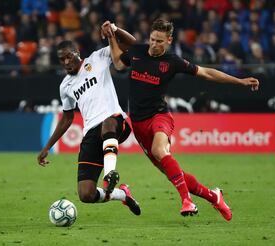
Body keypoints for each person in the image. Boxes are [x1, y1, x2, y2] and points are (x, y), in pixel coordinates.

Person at [102, 19, 260, 219]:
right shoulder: (137, 51)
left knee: (160, 150)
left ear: (169, 40)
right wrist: (111, 37)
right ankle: (214, 197)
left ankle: (187, 201)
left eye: (160, 41)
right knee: (173, 173)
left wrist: (240, 81)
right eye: (152, 39)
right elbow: (117, 63)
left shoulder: (173, 62)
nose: (154, 44)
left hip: (160, 116)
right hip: (139, 124)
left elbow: (206, 73)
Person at [37, 27, 141, 216]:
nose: (66, 62)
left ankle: (110, 174)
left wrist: (115, 30)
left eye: (69, 56)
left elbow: (134, 45)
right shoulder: (65, 86)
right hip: (91, 133)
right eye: (62, 59)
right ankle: (122, 195)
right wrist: (47, 146)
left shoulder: (98, 57)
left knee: (107, 123)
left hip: (116, 122)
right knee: (86, 194)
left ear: (77, 52)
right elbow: (67, 118)